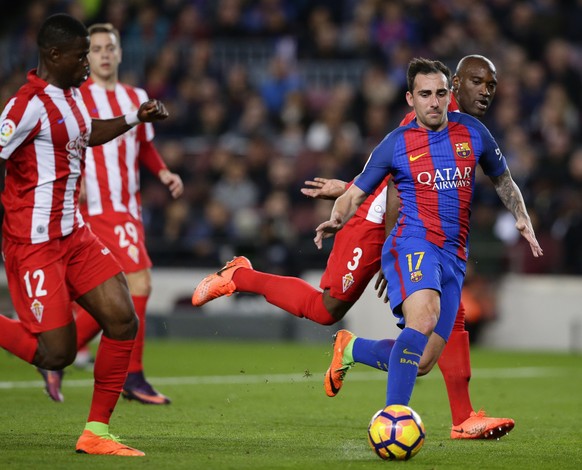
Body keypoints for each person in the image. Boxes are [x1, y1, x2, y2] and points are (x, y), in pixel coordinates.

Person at [191, 55, 519, 439]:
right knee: (326, 309)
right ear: (457, 83)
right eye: (478, 83)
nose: (486, 92)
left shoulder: (463, 126)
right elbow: (395, 190)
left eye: (492, 85)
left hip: (414, 235)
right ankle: (241, 276)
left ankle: (461, 416)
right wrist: (393, 254)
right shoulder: (428, 113)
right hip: (374, 226)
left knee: (444, 321)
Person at [313, 58, 542, 419]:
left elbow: (503, 178)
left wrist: (521, 216)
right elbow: (356, 191)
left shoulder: (474, 133)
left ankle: (352, 349)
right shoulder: (396, 144)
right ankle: (394, 418)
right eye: (424, 95)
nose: (433, 102)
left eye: (439, 93)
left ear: (448, 93)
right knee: (422, 320)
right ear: (410, 99)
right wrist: (336, 218)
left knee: (422, 360)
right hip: (413, 243)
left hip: (453, 256)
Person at [0, 14, 169, 456]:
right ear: (55, 55)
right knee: (56, 353)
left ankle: (96, 432)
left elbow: (88, 133)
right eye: (80, 57)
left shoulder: (73, 95)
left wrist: (134, 116)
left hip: (74, 233)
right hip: (33, 242)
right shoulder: (25, 106)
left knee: (122, 318)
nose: (87, 65)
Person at [37, 22, 184, 405]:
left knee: (120, 292)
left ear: (119, 53)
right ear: (87, 56)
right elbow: (64, 143)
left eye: (109, 47)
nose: (103, 54)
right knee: (139, 284)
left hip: (127, 206)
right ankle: (130, 376)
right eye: (96, 48)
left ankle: (56, 353)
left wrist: (164, 172)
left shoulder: (136, 96)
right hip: (96, 207)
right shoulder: (78, 97)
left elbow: (144, 147)